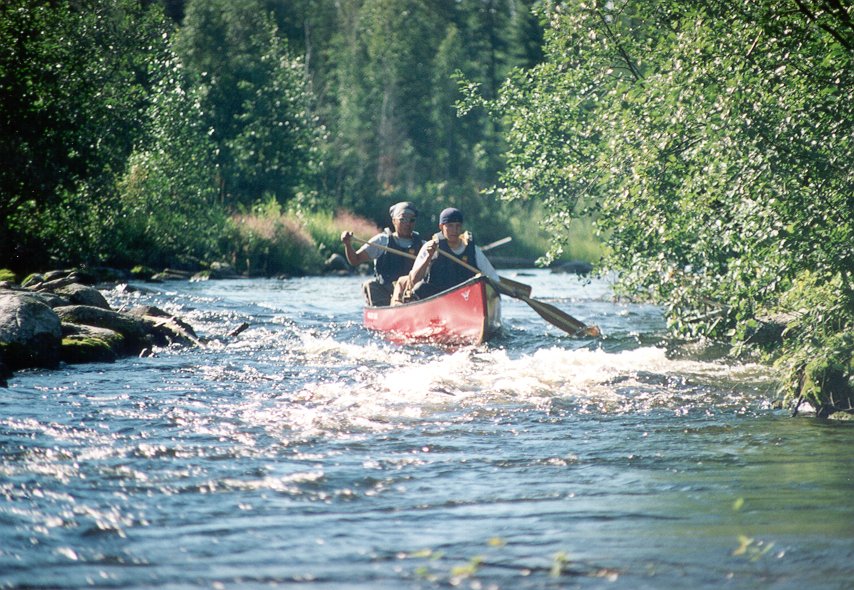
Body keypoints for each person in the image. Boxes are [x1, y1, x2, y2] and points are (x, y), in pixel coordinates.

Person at [341, 201, 424, 306]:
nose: (407, 223)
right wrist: (347, 244)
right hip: (384, 291)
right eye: (403, 219)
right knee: (369, 285)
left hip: (409, 293)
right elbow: (355, 260)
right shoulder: (381, 241)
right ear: (394, 221)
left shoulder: (422, 245)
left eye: (411, 220)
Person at [407, 207, 500, 300]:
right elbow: (414, 281)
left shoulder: (472, 250)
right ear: (441, 227)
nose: (454, 230)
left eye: (458, 226)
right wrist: (428, 257)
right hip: (438, 297)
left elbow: (494, 279)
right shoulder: (431, 247)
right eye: (450, 226)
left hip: (466, 297)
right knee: (419, 288)